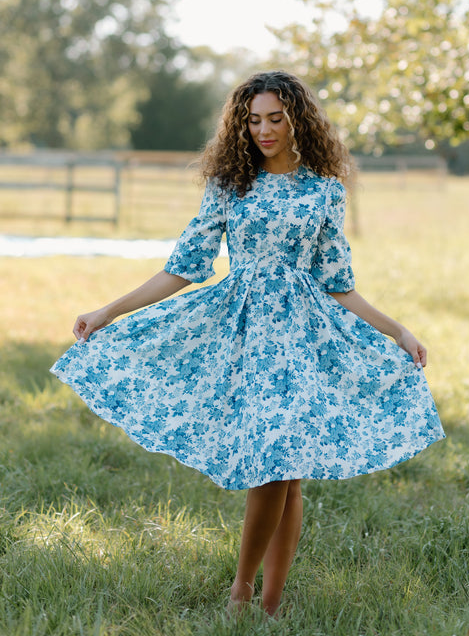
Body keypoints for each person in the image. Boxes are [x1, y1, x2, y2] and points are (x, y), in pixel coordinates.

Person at [50, 70, 444, 617]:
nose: (263, 129)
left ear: (297, 120)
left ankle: (273, 603)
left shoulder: (325, 191)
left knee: (290, 470)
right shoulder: (231, 186)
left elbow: (338, 282)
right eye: (254, 119)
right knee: (272, 464)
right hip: (246, 333)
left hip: (303, 337)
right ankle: (241, 592)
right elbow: (183, 268)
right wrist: (107, 310)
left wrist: (398, 330)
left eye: (275, 119)